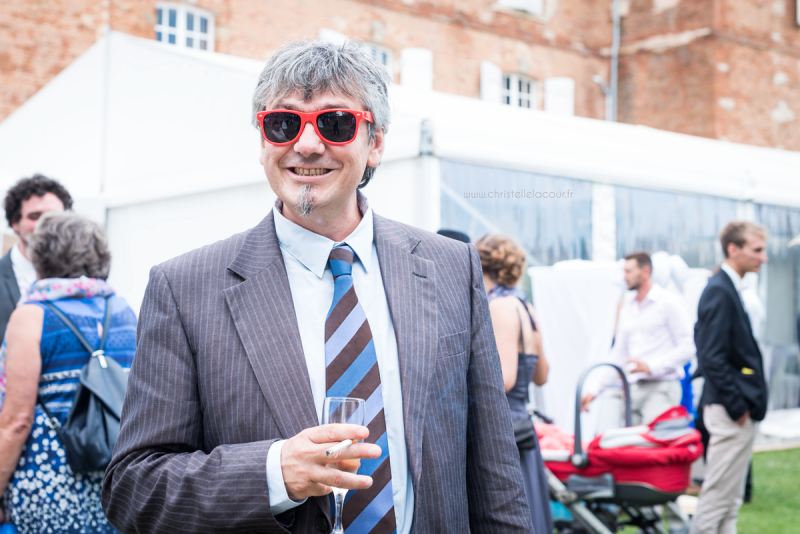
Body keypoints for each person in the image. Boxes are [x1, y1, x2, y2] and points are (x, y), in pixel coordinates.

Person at [102, 40, 532, 534]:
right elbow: (133, 487)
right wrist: (273, 471)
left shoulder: (450, 267)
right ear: (263, 140)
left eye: (335, 123)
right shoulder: (184, 288)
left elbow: (495, 477)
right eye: (284, 123)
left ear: (376, 141)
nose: (306, 145)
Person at [0, 211, 136, 533]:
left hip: (48, 488)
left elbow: (16, 422)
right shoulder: (123, 310)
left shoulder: (33, 316)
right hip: (116, 483)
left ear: (41, 254)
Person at [691, 221, 769, 534]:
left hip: (731, 410)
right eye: (757, 250)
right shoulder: (719, 290)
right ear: (733, 249)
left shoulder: (728, 287)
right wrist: (738, 408)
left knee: (730, 502)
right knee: (715, 500)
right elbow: (711, 356)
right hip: (728, 412)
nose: (763, 258)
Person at [476, 234, 553, 534]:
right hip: (523, 425)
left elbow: (504, 380)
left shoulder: (499, 307)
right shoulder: (525, 306)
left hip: (504, 430)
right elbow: (541, 376)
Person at [581, 251, 695, 426]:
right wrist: (594, 390)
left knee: (652, 447)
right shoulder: (628, 308)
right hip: (631, 389)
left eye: (628, 271)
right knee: (629, 446)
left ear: (646, 272)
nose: (624, 276)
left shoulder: (669, 303)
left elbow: (688, 349)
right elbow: (618, 354)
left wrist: (651, 366)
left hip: (662, 387)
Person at [0, 175, 72, 340]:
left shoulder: (82, 280)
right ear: (14, 222)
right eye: (35, 216)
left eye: (54, 216)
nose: (46, 224)